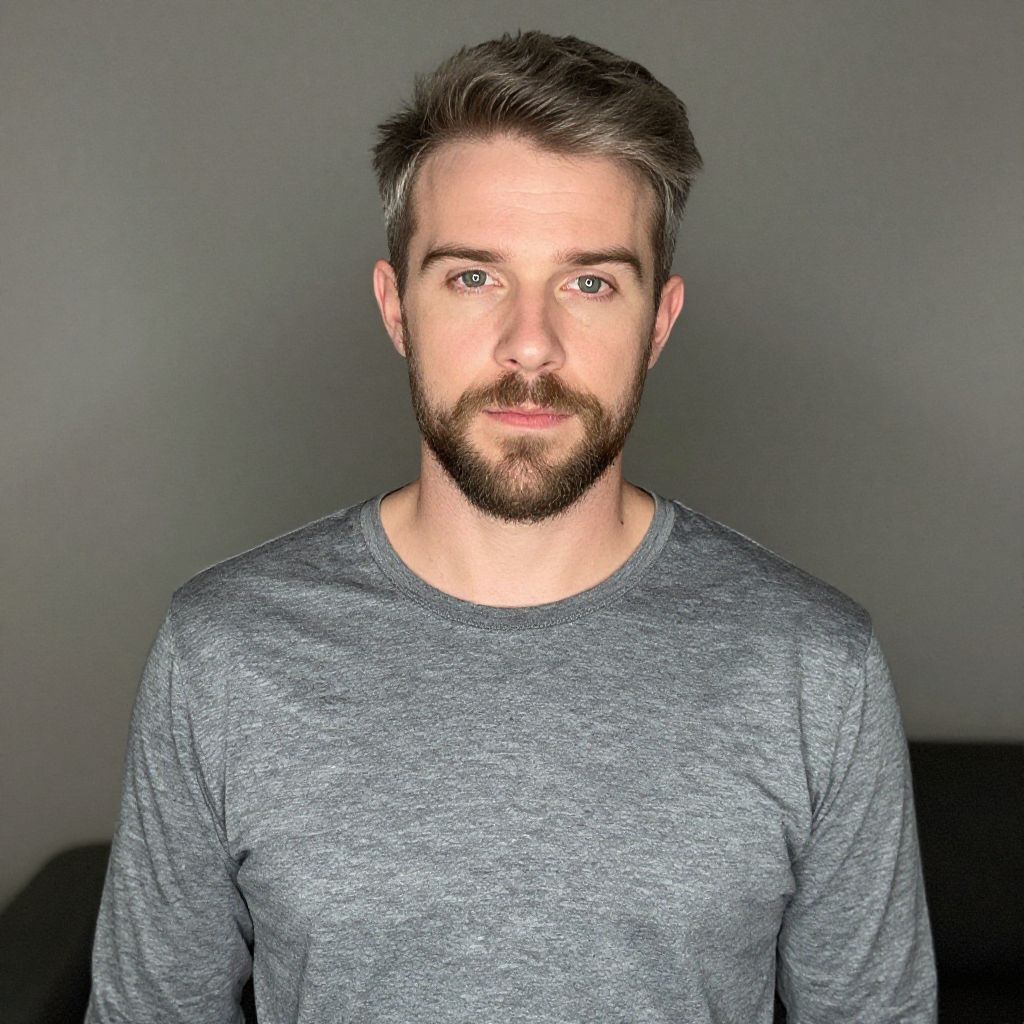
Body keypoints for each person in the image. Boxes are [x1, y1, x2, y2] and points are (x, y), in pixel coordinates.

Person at [85, 29, 937, 1023]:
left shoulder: (814, 669)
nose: (529, 343)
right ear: (396, 306)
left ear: (657, 322)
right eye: (472, 277)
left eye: (588, 282)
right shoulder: (221, 654)